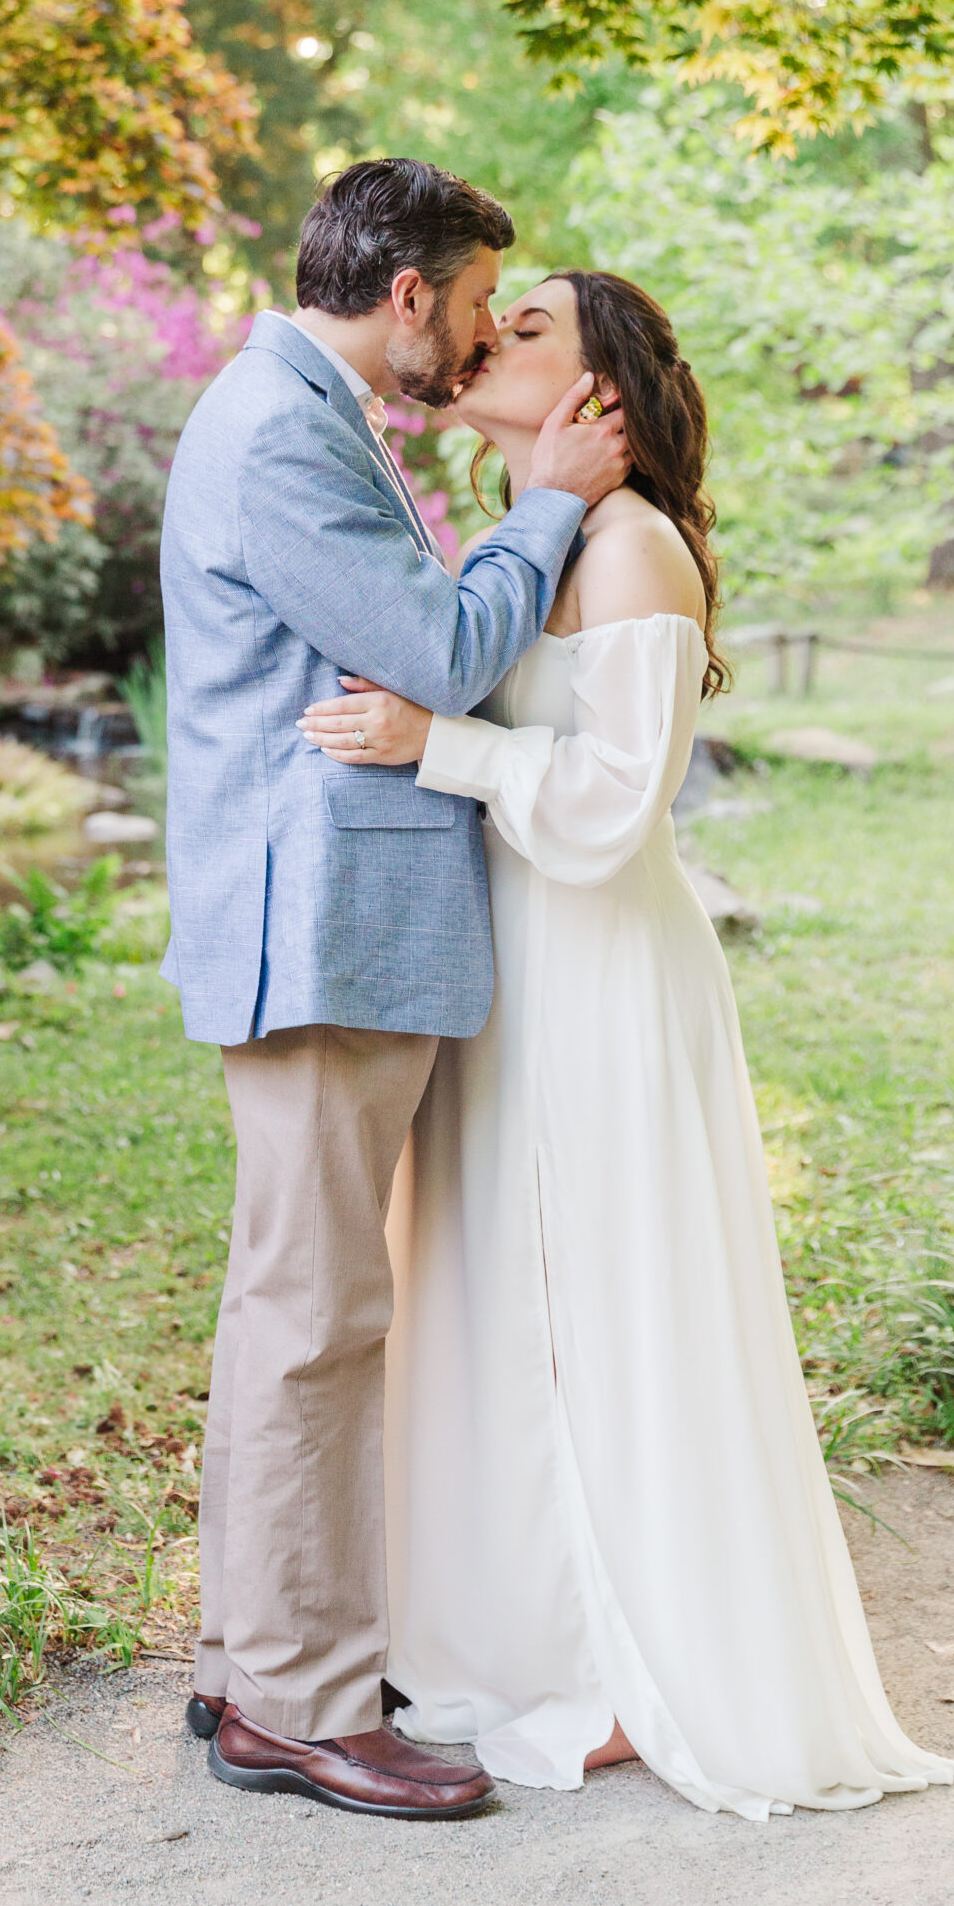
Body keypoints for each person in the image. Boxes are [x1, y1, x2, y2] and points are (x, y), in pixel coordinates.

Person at [299, 270, 954, 1818]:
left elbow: (608, 809)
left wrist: (430, 743)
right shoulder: (537, 544)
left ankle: (631, 1654)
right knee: (496, 1293)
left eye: (526, 329)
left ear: (602, 395)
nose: (484, 339)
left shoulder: (635, 546)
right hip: (512, 968)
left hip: (599, 967)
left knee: (607, 1295)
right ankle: (518, 1628)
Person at [159, 161, 629, 1818]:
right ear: (409, 292)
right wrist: (554, 499)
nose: (487, 330)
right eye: (479, 299)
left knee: (289, 1308)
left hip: (329, 921)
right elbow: (439, 653)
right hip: (324, 926)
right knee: (317, 1320)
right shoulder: (285, 427)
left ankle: (248, 1670)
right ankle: (303, 1702)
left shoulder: (308, 407)